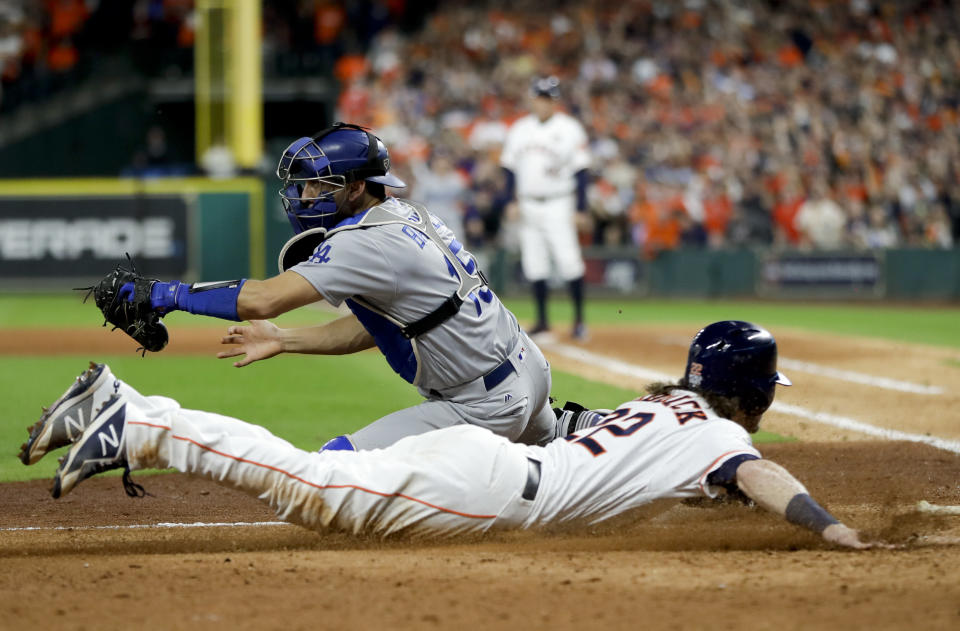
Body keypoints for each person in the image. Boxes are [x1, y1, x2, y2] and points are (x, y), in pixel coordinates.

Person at [21, 321, 887, 548]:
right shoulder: (712, 443)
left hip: (484, 461)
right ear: (752, 393)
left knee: (310, 483)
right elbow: (759, 478)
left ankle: (130, 408)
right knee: (303, 486)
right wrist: (830, 527)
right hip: (484, 490)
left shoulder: (666, 408)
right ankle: (141, 421)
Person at [85, 122, 565, 451]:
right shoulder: (408, 213)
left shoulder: (365, 242)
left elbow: (264, 299)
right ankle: (591, 427)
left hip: (480, 404)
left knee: (334, 471)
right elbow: (376, 328)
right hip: (525, 370)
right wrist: (284, 338)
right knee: (571, 458)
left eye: (318, 184)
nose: (304, 195)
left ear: (356, 187)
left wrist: (162, 294)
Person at [500, 76, 591, 341]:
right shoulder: (519, 129)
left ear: (555, 101)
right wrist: (510, 200)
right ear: (532, 99)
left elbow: (582, 170)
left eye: (548, 98)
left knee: (569, 260)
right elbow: (509, 168)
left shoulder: (570, 128)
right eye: (540, 98)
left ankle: (579, 321)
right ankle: (541, 322)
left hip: (559, 202)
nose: (543, 103)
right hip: (528, 203)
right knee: (534, 263)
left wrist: (581, 207)